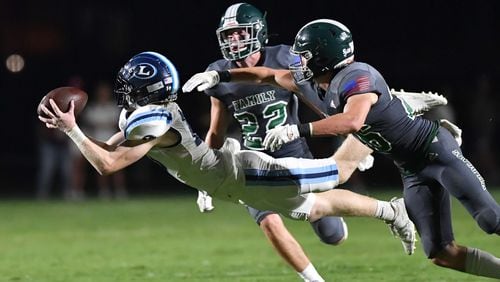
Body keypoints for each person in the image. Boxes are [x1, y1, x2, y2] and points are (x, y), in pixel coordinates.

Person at [38, 51, 417, 278]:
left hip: (246, 174)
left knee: (339, 171)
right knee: (313, 208)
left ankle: (391, 107)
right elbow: (104, 148)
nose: (122, 91)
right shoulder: (139, 117)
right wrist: (74, 131)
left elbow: (107, 164)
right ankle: (391, 211)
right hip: (230, 182)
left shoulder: (155, 119)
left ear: (144, 93)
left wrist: (72, 129)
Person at [182, 19, 500, 279]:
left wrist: (298, 129)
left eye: (304, 56)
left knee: (489, 219)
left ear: (323, 56)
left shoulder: (356, 76)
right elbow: (266, 74)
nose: (298, 62)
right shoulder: (312, 81)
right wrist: (219, 74)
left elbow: (351, 122)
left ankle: (405, 104)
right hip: (410, 167)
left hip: (432, 151)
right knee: (441, 254)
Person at [195, 4, 355, 281]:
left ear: (258, 32)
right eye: (229, 35)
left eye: (240, 33)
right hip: (253, 163)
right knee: (268, 221)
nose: (234, 40)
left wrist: (348, 133)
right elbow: (217, 132)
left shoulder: (283, 57)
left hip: (295, 154)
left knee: (333, 236)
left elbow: (318, 103)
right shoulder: (217, 74)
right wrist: (204, 180)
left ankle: (342, 210)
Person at [82, 81, 128, 199]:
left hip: (114, 140)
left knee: (118, 166)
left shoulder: (114, 107)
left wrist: (102, 124)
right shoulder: (92, 107)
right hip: (98, 140)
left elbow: (117, 124)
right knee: (102, 166)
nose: (103, 94)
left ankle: (120, 191)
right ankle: (104, 191)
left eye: (105, 92)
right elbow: (89, 124)